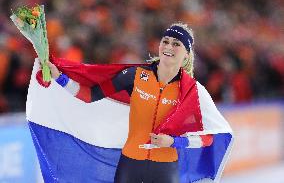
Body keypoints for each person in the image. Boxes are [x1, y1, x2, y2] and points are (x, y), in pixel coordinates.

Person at [44, 22, 226, 183]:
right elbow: (89, 95)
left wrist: (174, 142)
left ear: (186, 55)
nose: (169, 46)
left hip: (165, 167)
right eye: (165, 41)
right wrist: (60, 78)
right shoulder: (135, 75)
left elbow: (209, 137)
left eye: (176, 44)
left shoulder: (192, 91)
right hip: (131, 163)